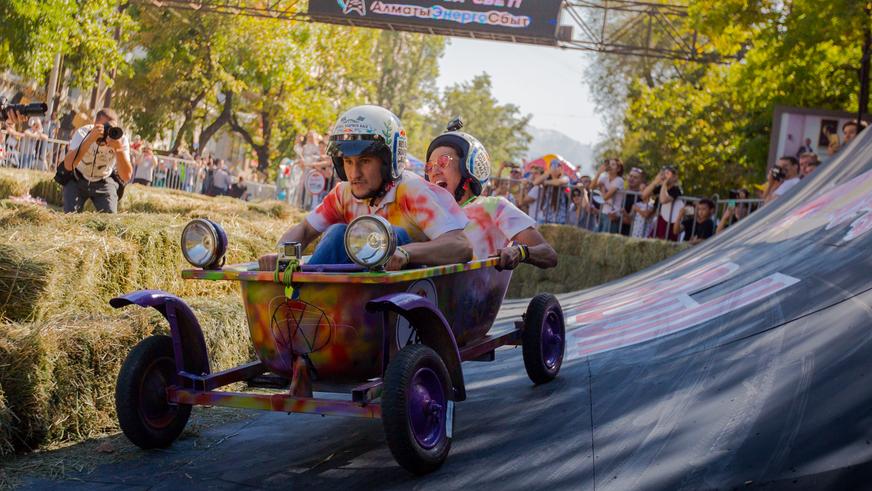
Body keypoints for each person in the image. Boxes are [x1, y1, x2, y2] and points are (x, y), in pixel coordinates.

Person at [258, 105, 472, 271]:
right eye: (348, 162)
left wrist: (405, 253)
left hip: (406, 295)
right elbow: (304, 230)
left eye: (365, 161)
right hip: (355, 295)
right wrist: (282, 255)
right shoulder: (343, 193)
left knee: (384, 235)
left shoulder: (413, 191)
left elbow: (462, 246)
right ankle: (303, 306)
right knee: (338, 232)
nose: (354, 173)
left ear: (389, 161)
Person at [424, 127, 556, 270]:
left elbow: (549, 254)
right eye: (430, 166)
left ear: (467, 168)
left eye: (443, 162)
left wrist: (520, 251)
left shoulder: (495, 207)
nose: (435, 172)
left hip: (479, 290)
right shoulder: (425, 213)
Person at [61, 108, 132, 213]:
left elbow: (126, 176)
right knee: (69, 216)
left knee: (109, 222)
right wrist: (89, 140)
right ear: (94, 124)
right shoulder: (83, 132)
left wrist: (118, 149)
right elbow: (68, 165)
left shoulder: (119, 139)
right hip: (77, 177)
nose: (106, 133)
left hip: (104, 180)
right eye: (103, 127)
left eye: (110, 128)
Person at [641, 166, 683, 241]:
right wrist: (655, 182)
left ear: (675, 177)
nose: (664, 176)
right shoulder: (661, 188)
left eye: (667, 173)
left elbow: (663, 200)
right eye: (663, 174)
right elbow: (644, 195)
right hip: (659, 221)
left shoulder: (676, 189)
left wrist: (664, 184)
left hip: (670, 223)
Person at [593, 158, 625, 234]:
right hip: (603, 213)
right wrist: (598, 173)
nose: (610, 166)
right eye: (609, 164)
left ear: (618, 168)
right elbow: (591, 187)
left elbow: (605, 197)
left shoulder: (619, 180)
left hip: (612, 215)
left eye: (613, 164)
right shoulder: (604, 178)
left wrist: (603, 189)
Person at [619, 167, 644, 236]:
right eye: (630, 176)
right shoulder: (620, 192)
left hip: (628, 234)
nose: (631, 179)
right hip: (614, 231)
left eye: (635, 177)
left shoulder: (641, 197)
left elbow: (632, 221)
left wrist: (617, 218)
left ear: (641, 180)